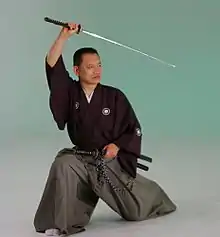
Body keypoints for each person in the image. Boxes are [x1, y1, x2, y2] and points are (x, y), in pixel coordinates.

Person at [33, 22, 177, 236]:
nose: (97, 71)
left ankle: (156, 198)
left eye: (99, 65)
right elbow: (53, 67)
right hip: (81, 159)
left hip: (108, 160)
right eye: (90, 67)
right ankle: (61, 223)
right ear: (77, 70)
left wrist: (117, 146)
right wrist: (63, 36)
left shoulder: (114, 96)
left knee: (135, 211)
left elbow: (133, 128)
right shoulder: (71, 92)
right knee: (63, 164)